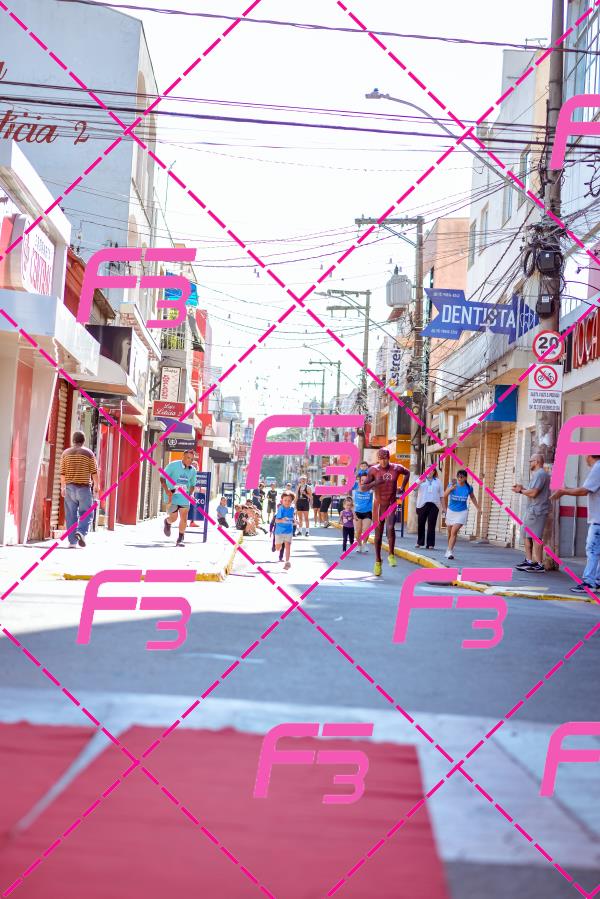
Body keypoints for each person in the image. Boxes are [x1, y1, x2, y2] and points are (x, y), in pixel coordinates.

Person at [550, 453, 600, 594]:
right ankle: (597, 581)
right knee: (597, 552)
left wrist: (563, 491)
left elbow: (584, 490)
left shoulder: (598, 467)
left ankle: (589, 582)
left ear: (590, 455)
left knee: (592, 551)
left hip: (598, 520)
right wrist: (567, 489)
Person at [360, 448, 409, 577]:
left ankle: (391, 554)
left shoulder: (396, 468)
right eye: (381, 459)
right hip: (378, 505)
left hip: (391, 503)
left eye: (385, 459)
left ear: (388, 458)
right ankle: (378, 561)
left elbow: (407, 473)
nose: (383, 461)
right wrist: (375, 482)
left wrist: (402, 487)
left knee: (391, 527)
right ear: (378, 459)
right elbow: (363, 488)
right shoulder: (373, 470)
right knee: (379, 533)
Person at [512, 453, 551, 572]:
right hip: (534, 510)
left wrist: (520, 491)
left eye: (531, 461)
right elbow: (532, 491)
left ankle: (538, 564)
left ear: (537, 461)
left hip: (537, 511)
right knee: (527, 534)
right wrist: (522, 489)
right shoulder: (539, 474)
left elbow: (534, 493)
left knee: (535, 536)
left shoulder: (540, 474)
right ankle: (530, 561)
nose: (529, 463)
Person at [60, 430, 99, 548]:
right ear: (83, 441)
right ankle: (81, 532)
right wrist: (96, 486)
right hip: (84, 488)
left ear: (73, 440)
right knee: (87, 513)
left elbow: (62, 473)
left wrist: (63, 487)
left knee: (70, 515)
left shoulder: (65, 453)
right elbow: (94, 472)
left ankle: (72, 542)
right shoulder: (89, 453)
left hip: (69, 488)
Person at [160, 450, 197, 547]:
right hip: (172, 496)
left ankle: (180, 539)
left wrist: (191, 494)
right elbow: (162, 478)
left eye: (192, 459)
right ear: (183, 457)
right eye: (188, 458)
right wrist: (167, 490)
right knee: (174, 518)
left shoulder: (193, 470)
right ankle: (167, 522)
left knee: (184, 518)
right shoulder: (173, 465)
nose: (190, 460)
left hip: (184, 497)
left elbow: (192, 485)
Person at [443, 469, 479, 560]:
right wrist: (450, 489)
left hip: (462, 512)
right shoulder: (452, 485)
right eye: (458, 476)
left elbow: (472, 497)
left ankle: (450, 551)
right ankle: (448, 549)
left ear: (465, 478)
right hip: (451, 511)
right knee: (450, 532)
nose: (459, 478)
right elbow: (444, 495)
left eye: (461, 477)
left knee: (454, 531)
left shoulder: (469, 487)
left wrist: (478, 507)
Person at [416, 468, 445, 550]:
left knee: (432, 525)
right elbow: (414, 489)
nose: (429, 472)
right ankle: (419, 542)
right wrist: (420, 481)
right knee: (421, 524)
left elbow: (442, 496)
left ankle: (430, 544)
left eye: (431, 470)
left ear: (434, 471)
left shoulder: (438, 481)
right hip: (422, 504)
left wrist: (444, 508)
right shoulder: (421, 479)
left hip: (434, 505)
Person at [352, 469, 373, 553]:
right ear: (360, 480)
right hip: (357, 512)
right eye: (362, 480)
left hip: (367, 512)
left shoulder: (371, 488)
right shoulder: (356, 486)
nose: (364, 482)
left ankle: (364, 544)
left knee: (366, 530)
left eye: (366, 480)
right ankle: (359, 545)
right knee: (358, 531)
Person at [274, 490, 295, 570]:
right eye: (285, 500)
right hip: (279, 532)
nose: (287, 502)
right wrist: (282, 520)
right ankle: (279, 544)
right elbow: (276, 520)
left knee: (288, 546)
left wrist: (295, 521)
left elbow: (292, 518)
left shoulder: (292, 509)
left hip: (288, 531)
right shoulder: (281, 508)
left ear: (292, 501)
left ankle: (287, 562)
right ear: (282, 500)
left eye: (289, 501)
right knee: (278, 548)